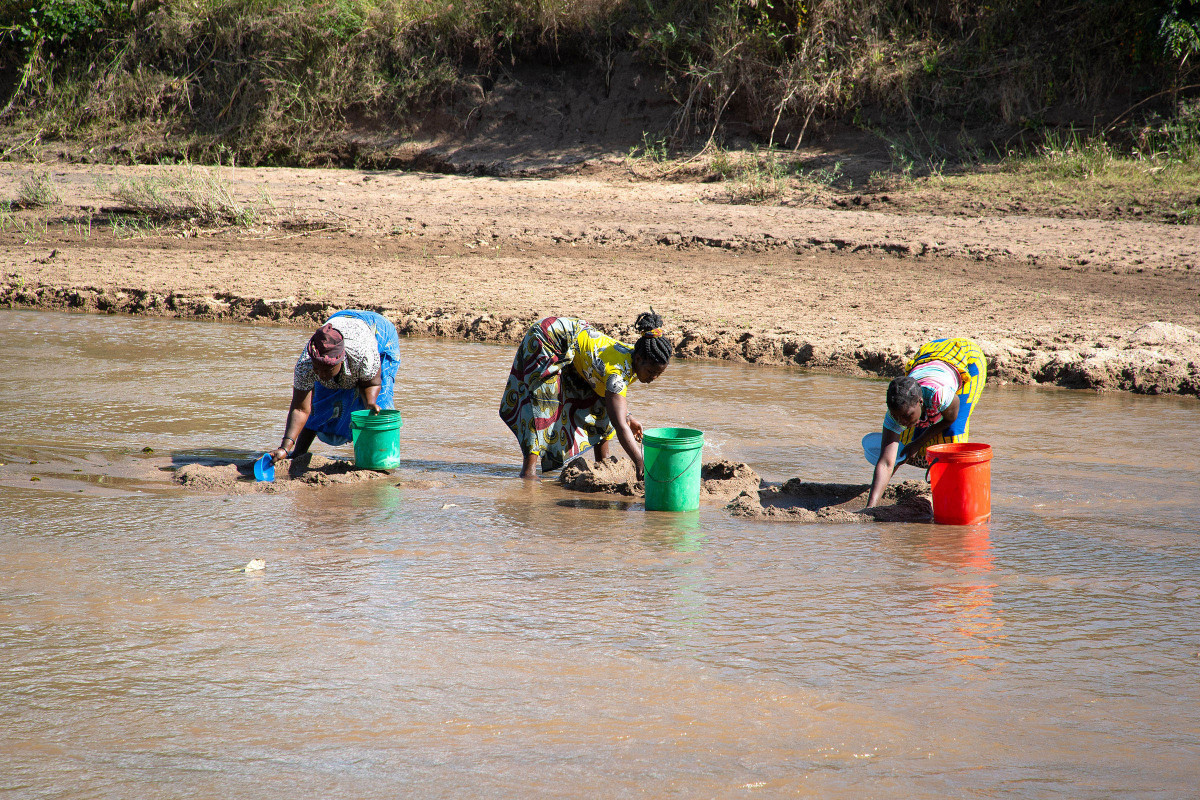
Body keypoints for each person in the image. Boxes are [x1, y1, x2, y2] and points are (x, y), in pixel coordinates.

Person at [500, 311, 673, 479]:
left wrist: (628, 417)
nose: (654, 378)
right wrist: (640, 462)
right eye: (651, 372)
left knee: (601, 405)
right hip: (547, 337)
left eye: (658, 374)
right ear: (639, 359)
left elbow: (613, 403)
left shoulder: (633, 358)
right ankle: (528, 472)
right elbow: (619, 425)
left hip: (572, 343)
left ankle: (603, 464)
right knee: (544, 404)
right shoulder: (618, 373)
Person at [866, 337, 986, 508]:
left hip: (966, 358)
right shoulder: (897, 410)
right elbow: (886, 462)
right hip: (928, 355)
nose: (901, 421)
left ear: (920, 402)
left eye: (906, 416)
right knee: (904, 441)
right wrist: (871, 508)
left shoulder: (940, 395)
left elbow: (950, 419)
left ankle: (952, 498)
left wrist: (918, 444)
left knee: (953, 435)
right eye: (897, 417)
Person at [270, 310, 401, 463]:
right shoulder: (305, 365)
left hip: (376, 330)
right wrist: (285, 448)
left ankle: (378, 460)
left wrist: (370, 402)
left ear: (340, 360)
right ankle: (298, 454)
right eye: (317, 368)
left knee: (380, 404)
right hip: (337, 326)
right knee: (319, 401)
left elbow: (372, 383)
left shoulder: (363, 355)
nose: (321, 374)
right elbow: (300, 409)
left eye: (327, 370)